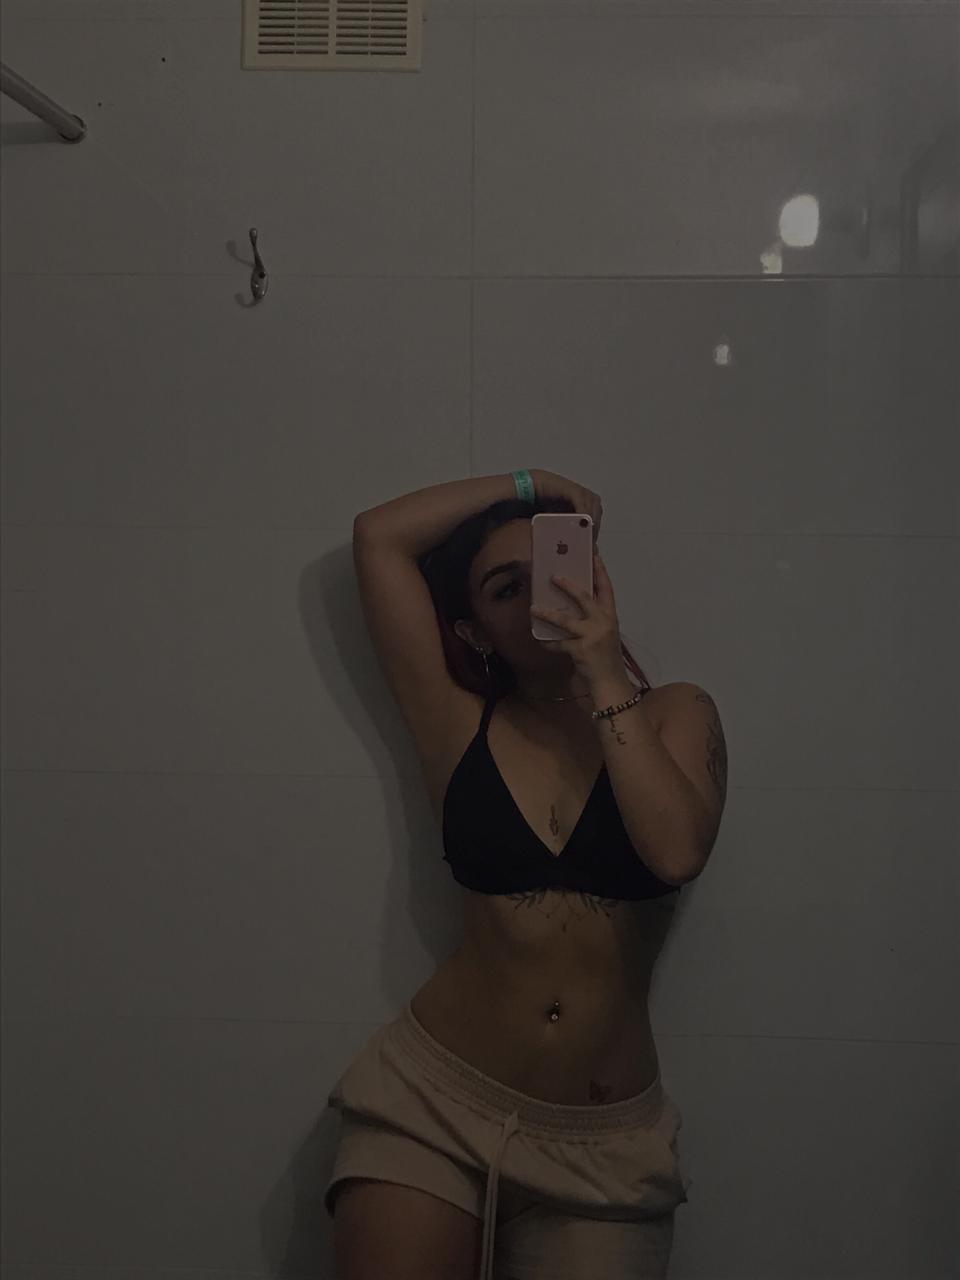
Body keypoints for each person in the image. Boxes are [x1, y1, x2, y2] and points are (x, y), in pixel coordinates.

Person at [325, 469, 724, 1279]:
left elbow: (676, 851)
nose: (542, 597)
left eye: (557, 571)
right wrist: (531, 481)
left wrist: (603, 672)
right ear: (474, 629)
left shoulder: (675, 712)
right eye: (508, 587)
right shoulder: (453, 722)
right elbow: (378, 538)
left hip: (603, 1145)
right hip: (433, 1106)